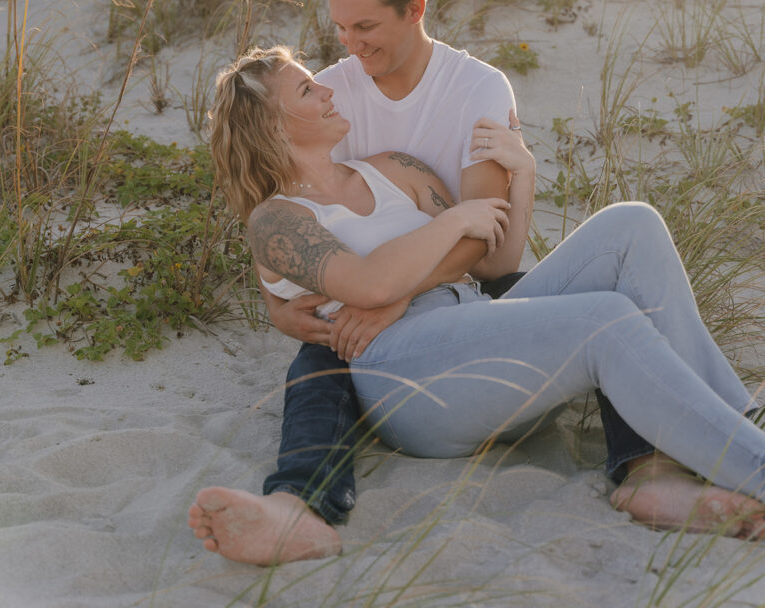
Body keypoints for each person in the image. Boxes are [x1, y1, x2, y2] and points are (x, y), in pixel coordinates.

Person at [188, 44, 765, 566]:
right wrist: (454, 222)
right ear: (270, 125)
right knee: (603, 318)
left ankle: (727, 425)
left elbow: (485, 256)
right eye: (307, 90)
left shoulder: (395, 169)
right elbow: (365, 285)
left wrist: (512, 185)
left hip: (475, 324)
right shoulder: (278, 219)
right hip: (403, 379)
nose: (327, 89)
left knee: (630, 225)